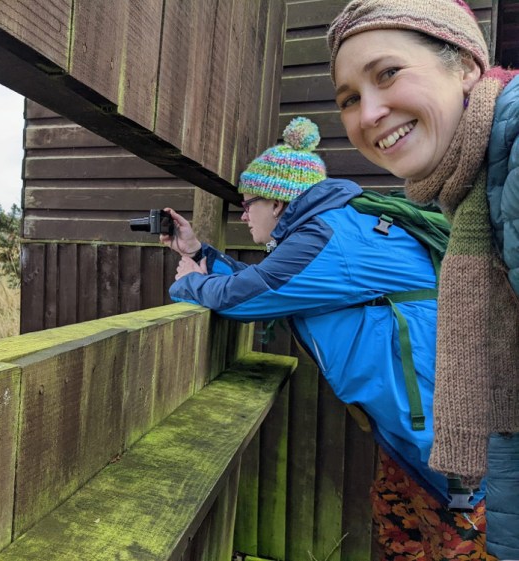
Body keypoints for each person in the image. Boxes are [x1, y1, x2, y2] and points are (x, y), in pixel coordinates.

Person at [161, 116, 493, 560]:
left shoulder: (328, 239)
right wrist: (199, 254)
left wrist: (189, 281)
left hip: (458, 453)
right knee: (403, 540)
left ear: (278, 203)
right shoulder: (337, 229)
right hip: (419, 438)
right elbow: (273, 285)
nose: (243, 214)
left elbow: (245, 299)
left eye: (248, 202)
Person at [327, 1, 519, 558]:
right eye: (349, 100)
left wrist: (197, 277)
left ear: (465, 65)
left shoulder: (323, 240)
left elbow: (266, 290)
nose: (368, 114)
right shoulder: (470, 191)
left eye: (388, 73)